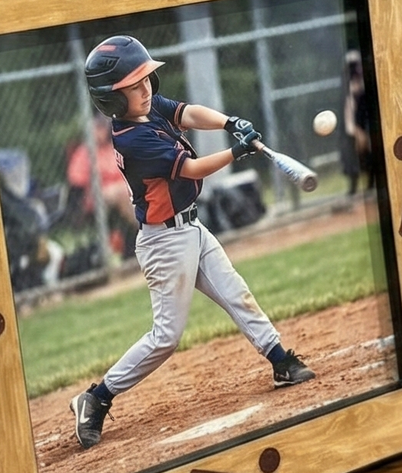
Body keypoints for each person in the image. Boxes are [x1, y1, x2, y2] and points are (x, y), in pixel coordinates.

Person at [69, 34, 316, 450]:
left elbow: (188, 113)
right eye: (133, 85)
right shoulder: (132, 136)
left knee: (236, 292)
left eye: (147, 79)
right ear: (112, 98)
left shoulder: (149, 111)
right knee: (166, 337)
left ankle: (280, 362)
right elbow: (193, 169)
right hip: (164, 244)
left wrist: (228, 122)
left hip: (191, 230)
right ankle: (96, 398)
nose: (146, 89)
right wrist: (236, 153)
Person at [66, 113, 138, 257]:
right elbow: (76, 188)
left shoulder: (116, 147)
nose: (100, 130)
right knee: (120, 192)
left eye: (102, 127)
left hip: (126, 193)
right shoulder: (83, 153)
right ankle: (153, 231)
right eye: (96, 127)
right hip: (95, 199)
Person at [340, 50, 374, 196]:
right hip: (356, 127)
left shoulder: (368, 84)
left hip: (368, 124)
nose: (355, 70)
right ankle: (354, 183)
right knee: (350, 147)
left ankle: (372, 181)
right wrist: (356, 131)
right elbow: (348, 114)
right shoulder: (349, 89)